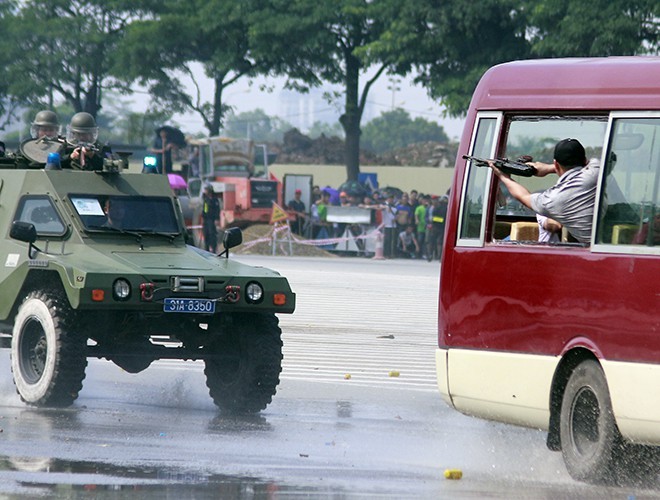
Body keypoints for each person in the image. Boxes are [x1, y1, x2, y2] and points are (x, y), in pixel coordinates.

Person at [489, 138, 598, 244]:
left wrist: (503, 176)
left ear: (556, 164)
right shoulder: (597, 172)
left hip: (592, 252)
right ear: (584, 160)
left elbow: (523, 196)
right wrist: (549, 168)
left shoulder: (553, 199)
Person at [202, 184, 220, 252]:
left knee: (212, 234)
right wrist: (203, 216)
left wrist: (217, 219)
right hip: (206, 219)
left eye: (206, 190)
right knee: (206, 234)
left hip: (212, 220)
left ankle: (214, 249)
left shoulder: (215, 200)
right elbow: (205, 209)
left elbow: (217, 210)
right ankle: (206, 249)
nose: (205, 191)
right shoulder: (206, 199)